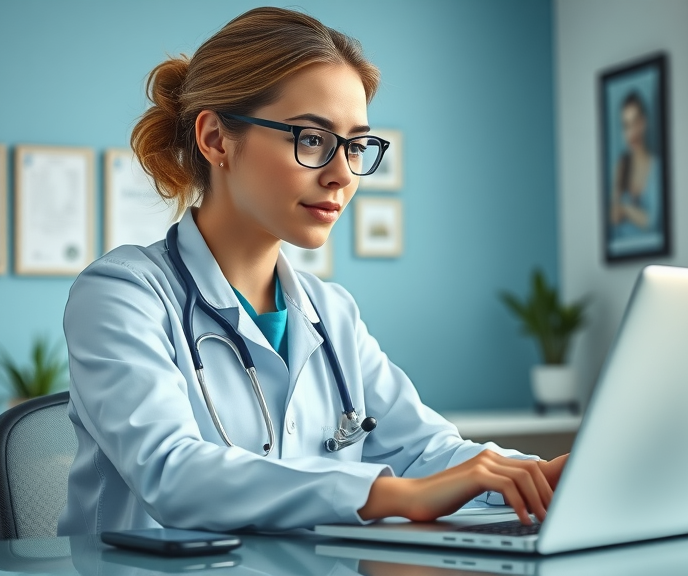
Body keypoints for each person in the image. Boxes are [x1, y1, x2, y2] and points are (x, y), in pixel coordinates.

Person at [58, 7, 567, 536]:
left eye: (356, 145)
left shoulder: (330, 312)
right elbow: (173, 472)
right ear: (215, 139)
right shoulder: (123, 294)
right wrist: (390, 494)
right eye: (311, 139)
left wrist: (537, 476)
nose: (343, 174)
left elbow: (422, 449)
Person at [609, 92, 661, 248]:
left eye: (635, 122)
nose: (632, 132)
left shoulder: (656, 167)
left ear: (643, 122)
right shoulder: (621, 166)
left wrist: (625, 209)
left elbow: (651, 221)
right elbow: (613, 216)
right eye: (626, 126)